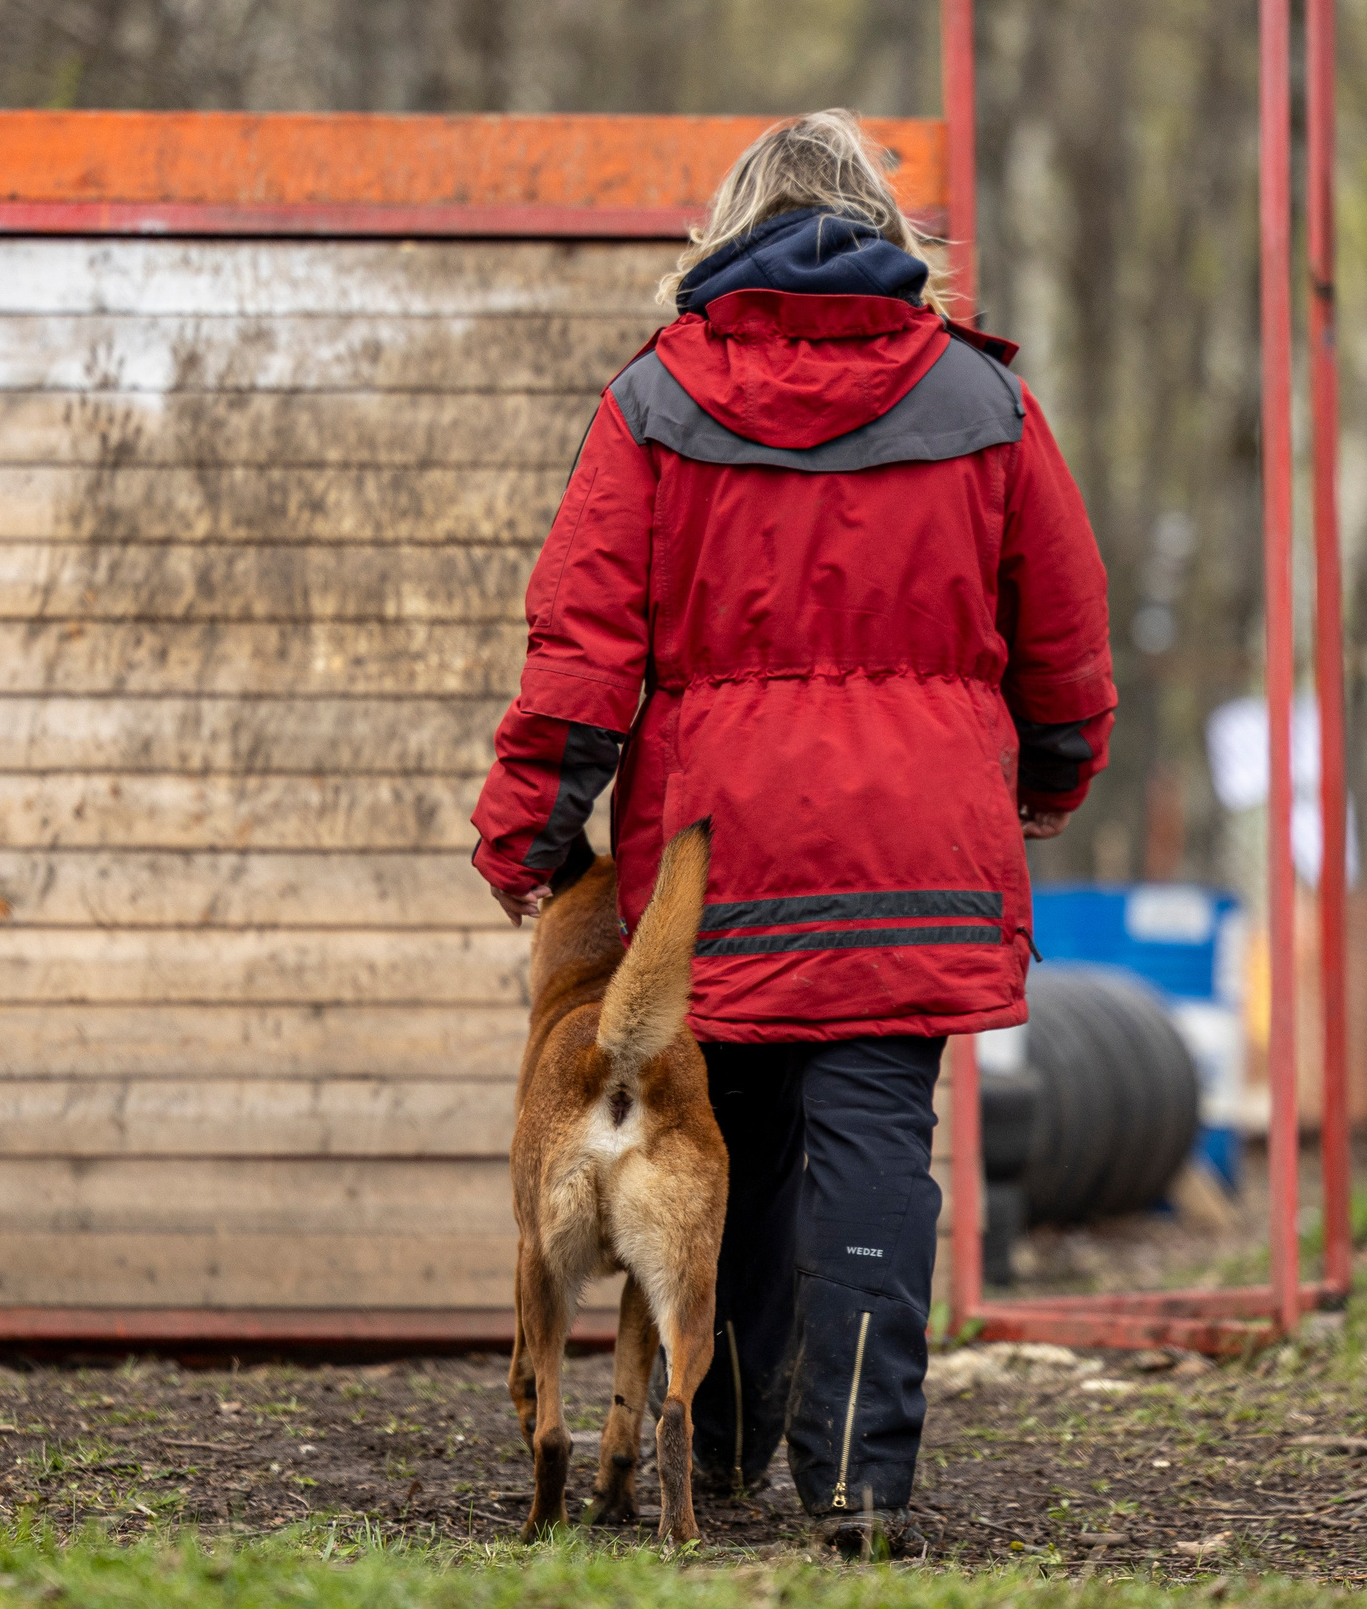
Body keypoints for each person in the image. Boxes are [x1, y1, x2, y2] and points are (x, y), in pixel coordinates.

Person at [468, 109, 1115, 1559]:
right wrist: (1057, 771)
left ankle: (729, 1439)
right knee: (877, 1145)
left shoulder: (653, 403)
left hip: (724, 862)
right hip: (920, 865)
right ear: (893, 231)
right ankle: (856, 1482)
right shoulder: (982, 401)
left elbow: (579, 653)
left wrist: (529, 831)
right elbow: (1063, 627)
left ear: (725, 230)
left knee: (733, 1142)